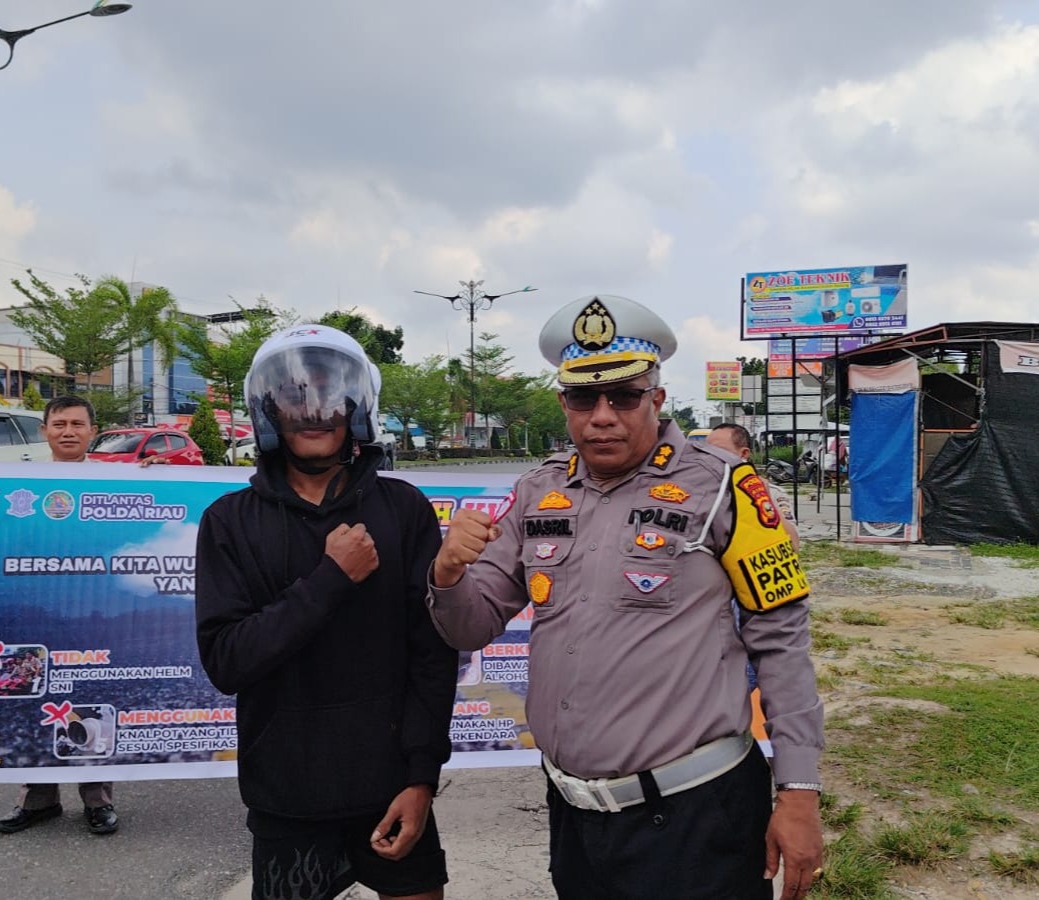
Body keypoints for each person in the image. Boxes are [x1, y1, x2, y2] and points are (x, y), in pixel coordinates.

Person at [427, 294, 824, 899]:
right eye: (584, 398)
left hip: (696, 818)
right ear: (564, 404)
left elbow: (782, 644)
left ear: (657, 399)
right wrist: (449, 573)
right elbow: (470, 627)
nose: (602, 416)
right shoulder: (538, 492)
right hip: (574, 816)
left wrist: (798, 792)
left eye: (624, 396)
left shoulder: (724, 487)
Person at [195, 325, 457, 900]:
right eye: (294, 394)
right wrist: (331, 580)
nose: (314, 411)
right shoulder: (230, 521)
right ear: (267, 408)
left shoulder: (403, 508)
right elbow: (227, 661)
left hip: (390, 784)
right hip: (288, 794)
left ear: (358, 405)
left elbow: (432, 655)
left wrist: (421, 778)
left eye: (329, 393)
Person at [0, 396, 122, 836]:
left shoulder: (115, 479)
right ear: (44, 430)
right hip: (31, 613)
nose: (68, 431)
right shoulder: (17, 483)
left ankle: (97, 802)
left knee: (85, 702)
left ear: (93, 430)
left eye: (78, 424)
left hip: (87, 614)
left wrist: (159, 478)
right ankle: (38, 800)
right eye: (59, 423)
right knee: (31, 700)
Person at [708, 423, 800, 549]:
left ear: (744, 454)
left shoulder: (771, 493)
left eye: (719, 451)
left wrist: (765, 501)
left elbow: (793, 545)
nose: (710, 457)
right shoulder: (701, 491)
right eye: (706, 452)